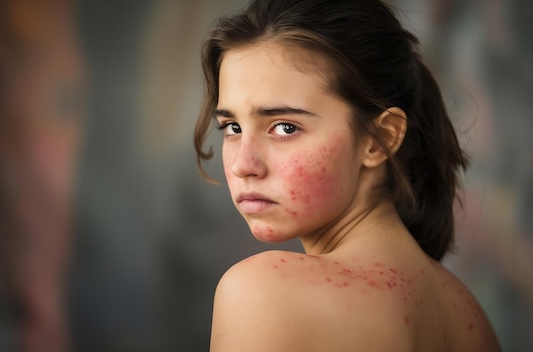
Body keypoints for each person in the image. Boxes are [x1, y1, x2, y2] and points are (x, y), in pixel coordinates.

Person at [194, 0, 501, 350]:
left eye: (284, 127)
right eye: (232, 126)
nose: (242, 164)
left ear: (379, 139)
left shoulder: (263, 290)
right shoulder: (469, 318)